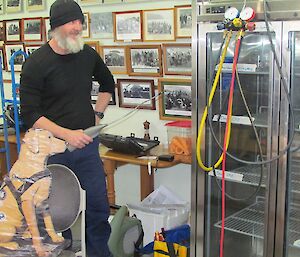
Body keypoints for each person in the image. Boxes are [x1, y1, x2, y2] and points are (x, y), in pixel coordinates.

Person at [20, 1, 115, 257]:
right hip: (52, 150)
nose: (78, 27)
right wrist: (66, 134)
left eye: (79, 22)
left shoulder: (87, 54)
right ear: (56, 27)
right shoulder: (36, 64)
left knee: (97, 206)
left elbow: (108, 84)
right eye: (72, 22)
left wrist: (97, 114)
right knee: (57, 215)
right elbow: (29, 113)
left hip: (86, 148)